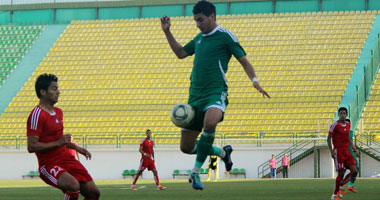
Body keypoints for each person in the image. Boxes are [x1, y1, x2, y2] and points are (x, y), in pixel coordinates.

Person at [161, 0, 270, 190]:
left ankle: (195, 173)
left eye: (200, 20)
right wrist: (167, 31)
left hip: (215, 93)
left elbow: (244, 61)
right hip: (194, 98)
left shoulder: (225, 37)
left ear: (212, 17)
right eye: (195, 20)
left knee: (210, 123)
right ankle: (222, 152)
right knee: (186, 148)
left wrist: (255, 82)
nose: (198, 24)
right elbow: (180, 53)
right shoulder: (199, 38)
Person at [26, 73, 100, 200]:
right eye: (54, 89)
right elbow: (31, 146)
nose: (58, 92)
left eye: (57, 89)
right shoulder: (37, 114)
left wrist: (76, 148)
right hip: (49, 164)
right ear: (43, 92)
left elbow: (58, 140)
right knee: (72, 186)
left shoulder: (59, 112)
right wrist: (59, 143)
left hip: (66, 158)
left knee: (94, 193)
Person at [327, 107, 359, 200]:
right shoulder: (335, 125)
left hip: (347, 151)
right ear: (338, 115)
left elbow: (347, 137)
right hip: (339, 152)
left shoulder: (348, 124)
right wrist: (332, 151)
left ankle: (340, 184)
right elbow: (329, 138)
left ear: (347, 114)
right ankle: (334, 195)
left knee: (355, 170)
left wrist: (354, 148)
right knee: (340, 174)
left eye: (344, 113)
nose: (342, 115)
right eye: (341, 113)